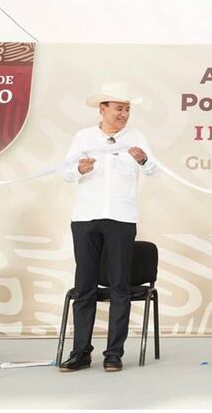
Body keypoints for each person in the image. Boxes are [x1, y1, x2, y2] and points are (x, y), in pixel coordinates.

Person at [59, 82, 157, 372]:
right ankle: (80, 352)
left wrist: (143, 159)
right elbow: (65, 172)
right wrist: (79, 169)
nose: (123, 114)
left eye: (127, 109)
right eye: (118, 108)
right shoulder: (83, 137)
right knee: (85, 286)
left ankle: (114, 353)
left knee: (119, 286)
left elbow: (153, 170)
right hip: (86, 217)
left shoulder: (137, 137)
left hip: (122, 217)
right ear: (103, 109)